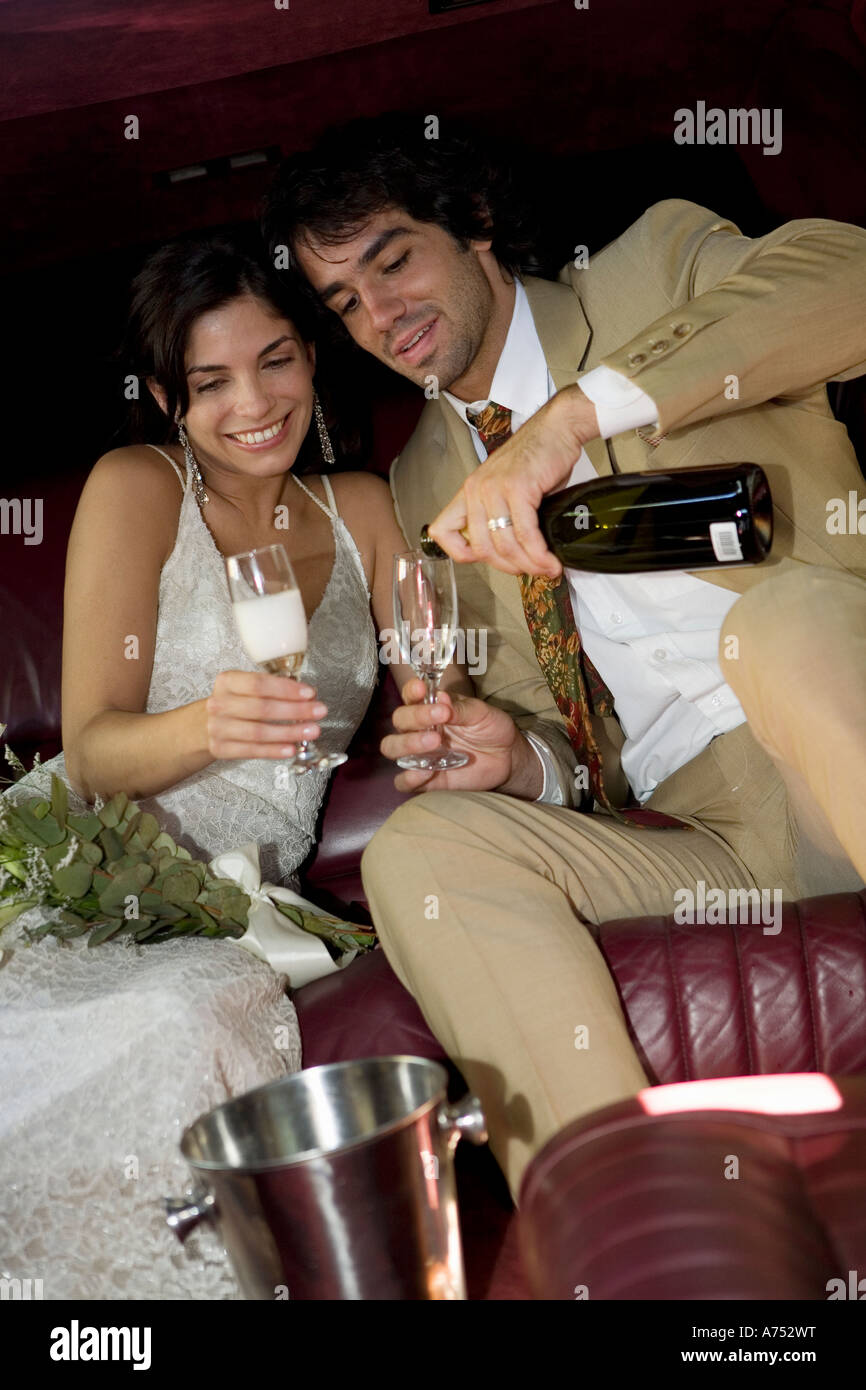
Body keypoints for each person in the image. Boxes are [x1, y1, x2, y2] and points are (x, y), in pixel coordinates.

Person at [265, 113, 866, 1201]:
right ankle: (619, 1216)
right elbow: (559, 741)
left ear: (478, 226)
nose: (378, 314)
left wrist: (569, 421)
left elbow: (851, 277)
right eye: (343, 301)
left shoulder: (652, 270)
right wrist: (518, 761)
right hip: (705, 835)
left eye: (391, 260)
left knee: (771, 626)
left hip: (834, 715)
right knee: (419, 850)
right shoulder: (419, 487)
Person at [0, 233, 423, 1299]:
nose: (254, 404)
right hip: (86, 863)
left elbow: (434, 685)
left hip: (239, 900)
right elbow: (92, 746)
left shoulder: (363, 509)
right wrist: (206, 725)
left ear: (312, 357)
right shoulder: (137, 484)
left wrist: (443, 733)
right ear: (163, 396)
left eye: (275, 360)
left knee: (198, 999)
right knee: (164, 1016)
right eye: (211, 381)